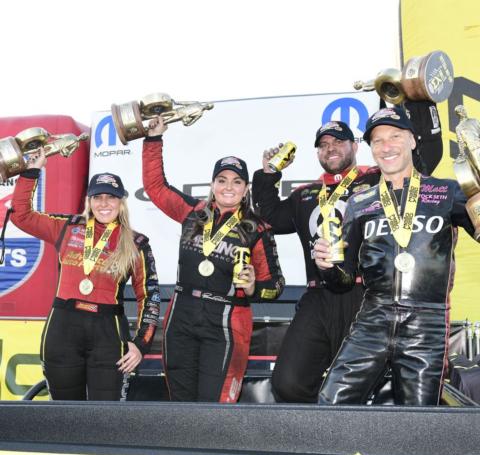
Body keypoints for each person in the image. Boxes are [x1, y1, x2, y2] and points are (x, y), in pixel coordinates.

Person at [252, 100, 443, 403]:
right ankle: (322, 435)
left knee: (359, 387)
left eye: (338, 141)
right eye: (323, 144)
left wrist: (420, 99)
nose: (330, 148)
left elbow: (426, 158)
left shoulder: (378, 179)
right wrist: (268, 174)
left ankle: (357, 439)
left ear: (355, 146)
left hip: (367, 296)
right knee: (288, 382)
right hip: (319, 296)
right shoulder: (305, 195)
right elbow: (269, 216)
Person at [314, 106, 478, 405]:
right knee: (331, 405)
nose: (386, 146)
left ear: (413, 141)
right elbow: (343, 280)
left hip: (426, 323)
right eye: (378, 141)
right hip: (372, 320)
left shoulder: (446, 192)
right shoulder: (359, 202)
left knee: (418, 421)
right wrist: (326, 266)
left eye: (395, 136)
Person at [142, 116, 285, 403]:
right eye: (222, 180)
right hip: (182, 313)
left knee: (215, 405)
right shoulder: (191, 212)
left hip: (226, 320)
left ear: (246, 188)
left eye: (236, 181)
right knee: (180, 400)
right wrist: (154, 140)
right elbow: (155, 187)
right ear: (212, 184)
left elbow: (276, 285)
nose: (228, 187)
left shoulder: (257, 229)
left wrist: (256, 285)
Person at [11, 151, 161, 401]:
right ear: (89, 201)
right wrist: (31, 172)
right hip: (63, 329)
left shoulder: (136, 243)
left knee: (106, 418)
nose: (104, 204)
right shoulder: (68, 227)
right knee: (64, 414)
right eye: (97, 197)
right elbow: (20, 215)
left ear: (121, 202)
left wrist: (141, 344)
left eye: (111, 197)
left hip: (108, 333)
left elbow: (150, 296)